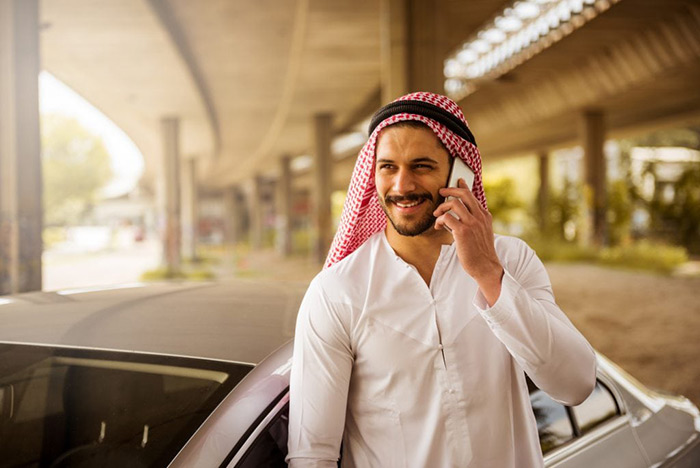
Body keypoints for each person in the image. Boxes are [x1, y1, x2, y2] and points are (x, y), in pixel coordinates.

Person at [286, 92, 596, 467]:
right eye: (388, 167)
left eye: (421, 166)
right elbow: (311, 455)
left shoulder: (512, 260)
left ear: (459, 175)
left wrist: (487, 273)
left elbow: (575, 384)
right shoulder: (337, 293)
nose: (401, 185)